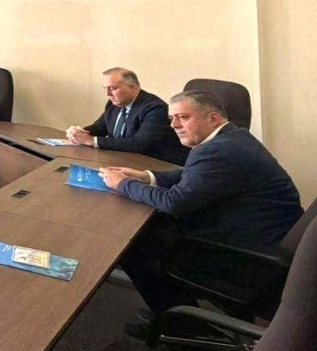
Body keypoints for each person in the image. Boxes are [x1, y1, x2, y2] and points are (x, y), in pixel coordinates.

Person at [99, 90, 303, 318]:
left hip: (245, 254)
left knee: (135, 246)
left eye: (183, 117)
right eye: (172, 118)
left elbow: (174, 202)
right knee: (153, 227)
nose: (174, 125)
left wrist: (123, 184)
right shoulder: (234, 136)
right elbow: (194, 175)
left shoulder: (216, 151)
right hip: (264, 236)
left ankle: (184, 325)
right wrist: (147, 177)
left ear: (213, 118)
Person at [65, 67, 189, 164]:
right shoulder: (114, 103)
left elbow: (139, 143)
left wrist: (91, 140)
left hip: (159, 165)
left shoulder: (155, 109)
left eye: (112, 88)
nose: (108, 94)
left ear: (133, 87)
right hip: (123, 160)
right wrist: (79, 133)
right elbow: (99, 128)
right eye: (105, 88)